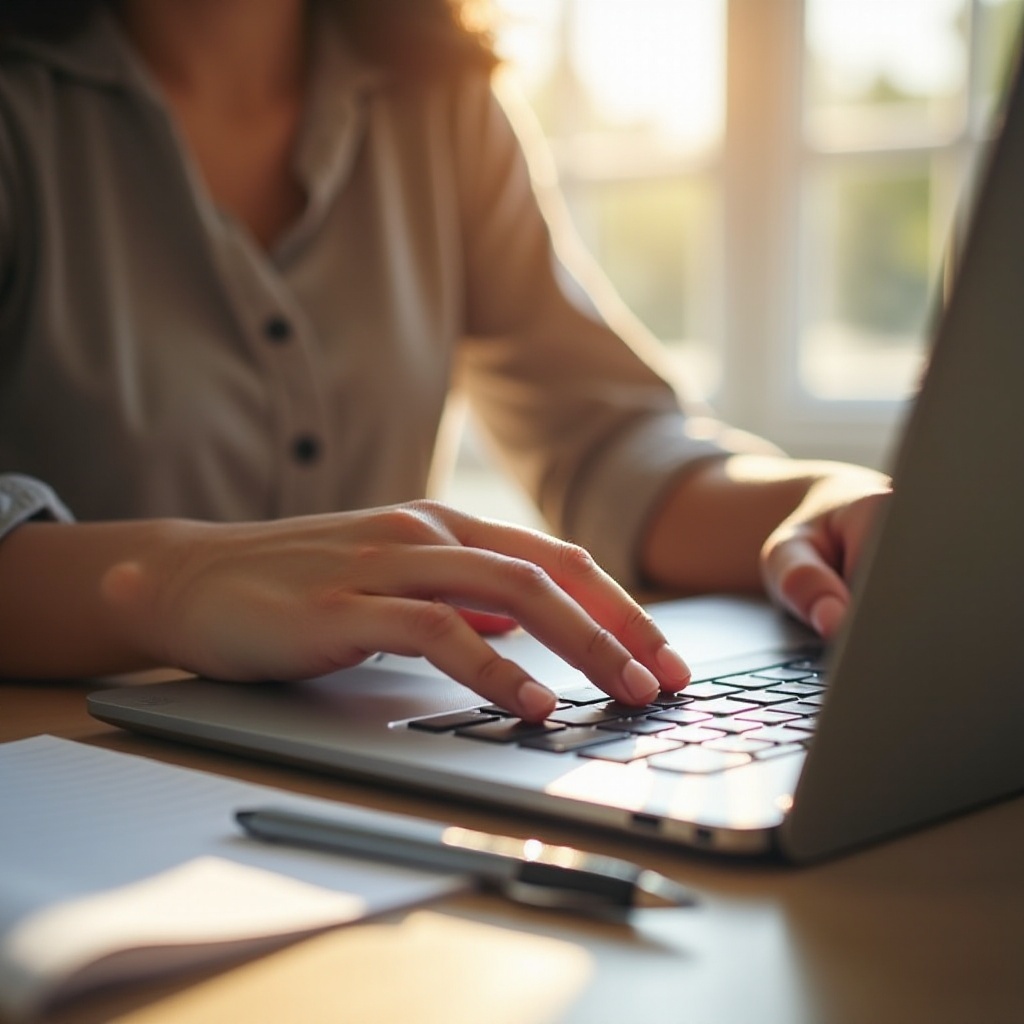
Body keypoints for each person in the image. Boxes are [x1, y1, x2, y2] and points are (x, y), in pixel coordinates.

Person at [0, 0, 890, 720]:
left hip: (376, 756)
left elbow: (604, 436)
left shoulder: (443, 97)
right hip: (71, 773)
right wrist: (170, 584)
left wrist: (812, 503)